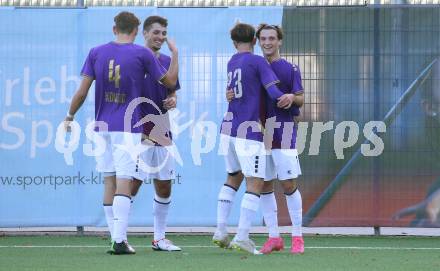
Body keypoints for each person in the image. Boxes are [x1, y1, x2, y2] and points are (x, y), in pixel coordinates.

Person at [63, 11, 178, 255]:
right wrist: (176, 55)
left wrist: (70, 115)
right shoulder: (142, 53)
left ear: (115, 28)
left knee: (109, 181)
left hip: (102, 125)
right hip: (127, 126)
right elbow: (168, 82)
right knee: (124, 182)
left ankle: (115, 236)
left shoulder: (96, 52)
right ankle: (119, 239)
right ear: (137, 31)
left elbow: (82, 92)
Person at [214, 24, 305, 255]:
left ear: (279, 41)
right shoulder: (255, 63)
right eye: (263, 38)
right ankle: (274, 237)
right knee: (263, 185)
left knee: (288, 185)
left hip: (281, 131)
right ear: (257, 41)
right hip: (257, 134)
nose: (267, 42)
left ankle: (297, 236)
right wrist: (229, 94)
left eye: (272, 38)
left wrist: (292, 98)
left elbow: (300, 99)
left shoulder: (289, 68)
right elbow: (240, 90)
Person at [130, 15, 181, 251]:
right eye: (156, 32)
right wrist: (136, 130)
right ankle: (118, 236)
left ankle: (159, 239)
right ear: (145, 33)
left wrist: (172, 100)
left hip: (161, 130)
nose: (160, 37)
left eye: (163, 33)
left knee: (164, 185)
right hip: (137, 132)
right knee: (131, 186)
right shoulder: (133, 59)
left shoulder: (168, 60)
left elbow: (172, 93)